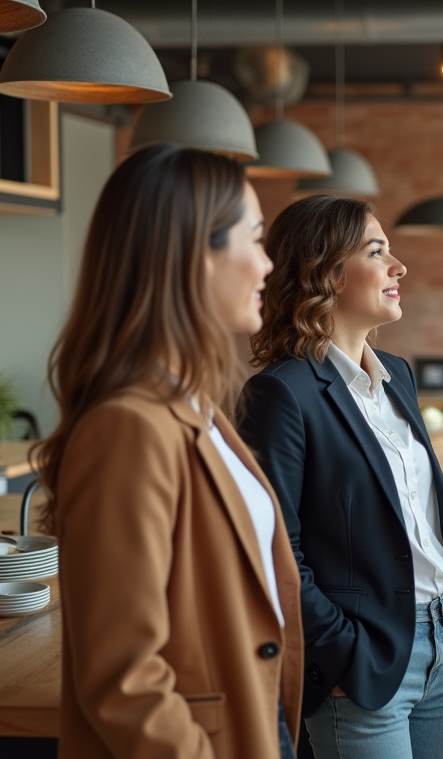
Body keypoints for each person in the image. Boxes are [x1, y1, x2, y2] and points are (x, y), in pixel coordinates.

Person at [34, 144, 302, 759]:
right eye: (255, 240)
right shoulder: (129, 427)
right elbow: (124, 678)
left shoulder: (196, 407)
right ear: (192, 256)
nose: (267, 266)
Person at [237, 194, 443, 759]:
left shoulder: (397, 375)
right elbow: (274, 552)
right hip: (365, 669)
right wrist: (342, 655)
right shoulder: (282, 393)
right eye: (377, 251)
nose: (399, 267)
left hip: (440, 641)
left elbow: (422, 514)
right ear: (323, 272)